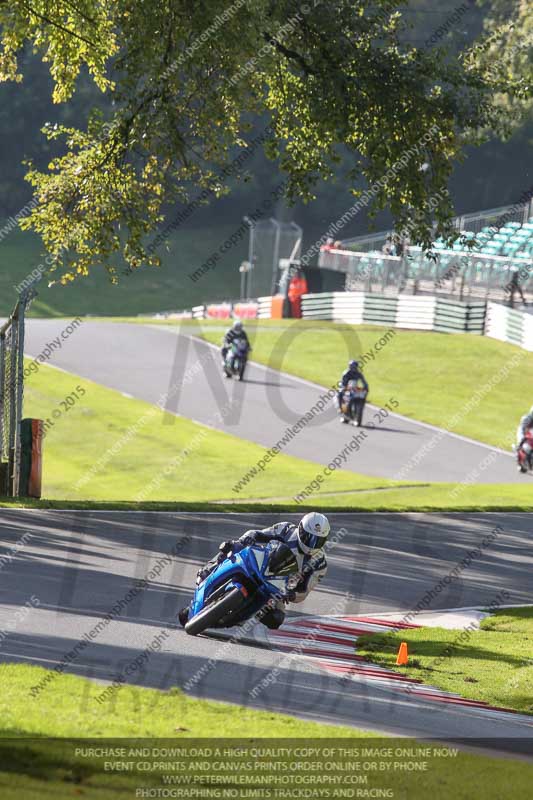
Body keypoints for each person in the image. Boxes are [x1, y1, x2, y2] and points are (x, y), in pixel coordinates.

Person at [178, 512, 330, 630]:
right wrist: (247, 538)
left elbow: (305, 590)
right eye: (308, 537)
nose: (312, 543)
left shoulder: (319, 562)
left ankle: (246, 613)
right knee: (233, 547)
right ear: (301, 528)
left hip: (279, 586)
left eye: (317, 540)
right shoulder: (287, 529)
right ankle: (207, 570)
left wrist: (292, 594)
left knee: (275, 619)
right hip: (262, 562)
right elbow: (259, 534)